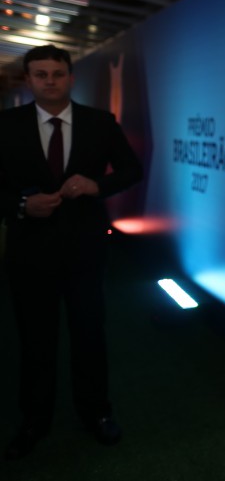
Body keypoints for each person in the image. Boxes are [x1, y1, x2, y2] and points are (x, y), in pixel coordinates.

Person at [0, 45, 143, 460]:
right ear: (29, 79)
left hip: (85, 250)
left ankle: (97, 413)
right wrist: (22, 205)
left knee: (89, 335)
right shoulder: (6, 125)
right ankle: (34, 420)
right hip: (29, 252)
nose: (50, 81)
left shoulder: (100, 123)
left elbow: (132, 169)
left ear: (70, 77)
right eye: (41, 74)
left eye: (57, 73)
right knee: (34, 340)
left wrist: (98, 185)